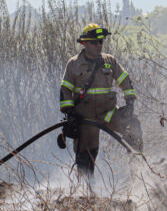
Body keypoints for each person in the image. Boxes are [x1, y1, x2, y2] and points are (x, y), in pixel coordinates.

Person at [59, 23, 140, 177]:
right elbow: (65, 90)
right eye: (94, 42)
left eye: (101, 42)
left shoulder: (110, 61)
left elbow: (125, 80)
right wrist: (69, 113)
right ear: (84, 43)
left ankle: (139, 174)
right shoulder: (74, 64)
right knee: (86, 155)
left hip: (108, 113)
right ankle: (86, 192)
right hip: (85, 118)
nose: (99, 45)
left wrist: (130, 103)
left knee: (133, 128)